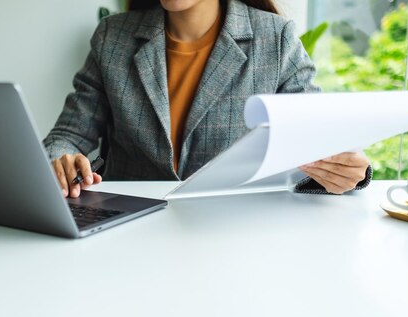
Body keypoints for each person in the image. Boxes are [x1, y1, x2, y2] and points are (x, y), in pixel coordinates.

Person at [44, 0, 372, 198]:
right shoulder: (112, 37)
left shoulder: (276, 39)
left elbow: (317, 139)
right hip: (128, 230)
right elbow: (69, 135)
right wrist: (60, 161)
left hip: (234, 234)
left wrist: (350, 171)